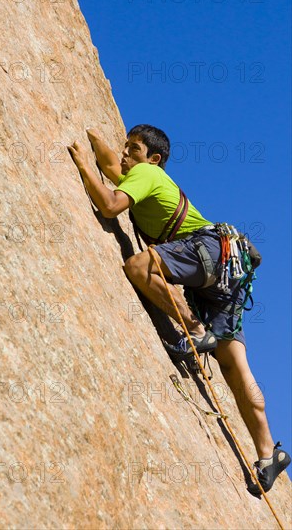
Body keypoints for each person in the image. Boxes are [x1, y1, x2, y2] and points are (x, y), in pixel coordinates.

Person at [68, 124, 290, 495]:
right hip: (228, 270)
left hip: (205, 252)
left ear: (153, 159)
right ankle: (268, 453)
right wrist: (94, 138)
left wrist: (82, 165)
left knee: (138, 267)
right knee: (235, 367)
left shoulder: (147, 173)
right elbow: (114, 165)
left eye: (133, 149)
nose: (125, 155)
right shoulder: (141, 173)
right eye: (125, 148)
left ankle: (196, 329)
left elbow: (109, 203)